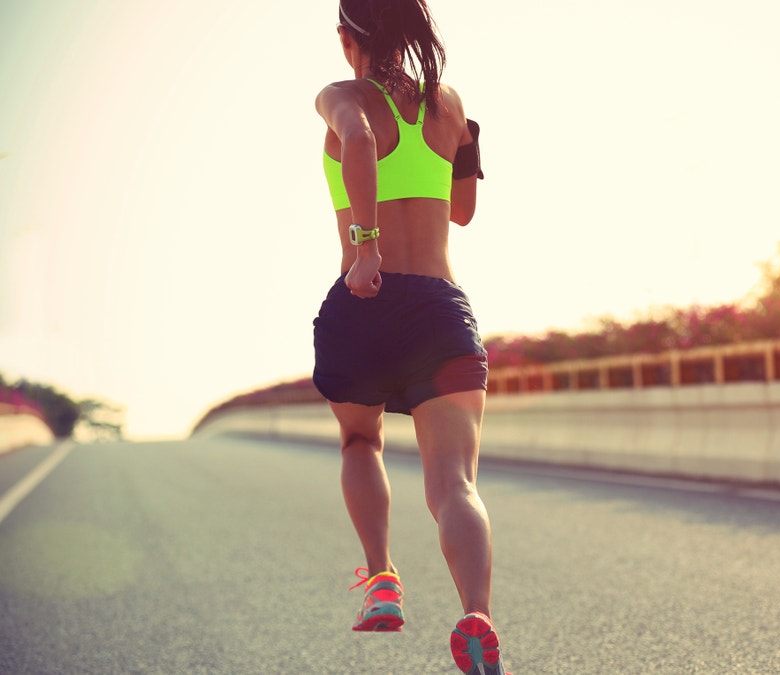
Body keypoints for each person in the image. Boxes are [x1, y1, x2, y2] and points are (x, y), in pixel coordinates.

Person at [311, 1, 508, 673]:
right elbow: (463, 209)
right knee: (455, 483)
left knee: (361, 440)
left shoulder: (340, 94)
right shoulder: (447, 105)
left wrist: (365, 247)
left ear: (347, 39)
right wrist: (461, 142)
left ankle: (382, 578)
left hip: (364, 302)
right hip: (437, 306)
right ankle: (476, 614)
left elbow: (361, 140)